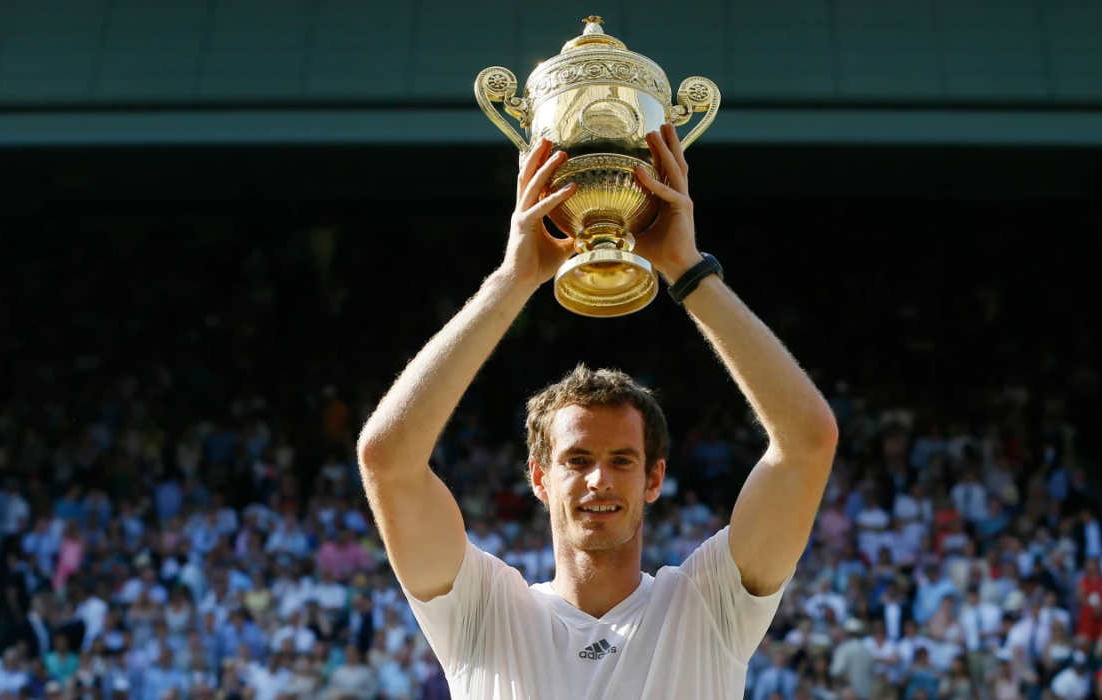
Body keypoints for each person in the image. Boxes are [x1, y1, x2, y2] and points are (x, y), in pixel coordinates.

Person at [356, 125, 839, 699]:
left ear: (654, 477)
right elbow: (387, 460)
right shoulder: (482, 611)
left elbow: (808, 443)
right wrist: (514, 279)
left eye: (622, 459)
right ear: (538, 476)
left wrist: (687, 270)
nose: (599, 479)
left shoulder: (710, 605)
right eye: (576, 458)